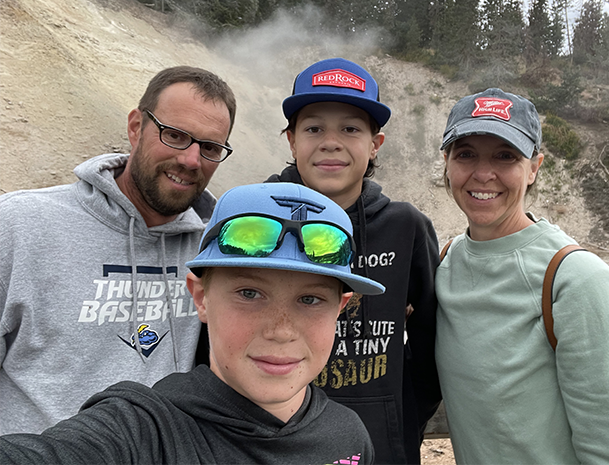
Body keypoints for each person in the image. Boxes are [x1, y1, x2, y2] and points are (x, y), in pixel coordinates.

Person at [0, 182, 383, 464]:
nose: (280, 331)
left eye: (310, 299)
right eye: (250, 293)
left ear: (340, 308)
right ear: (200, 296)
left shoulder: (349, 435)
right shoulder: (144, 431)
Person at [0, 66, 237, 435]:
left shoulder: (215, 246)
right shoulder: (20, 223)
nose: (191, 160)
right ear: (135, 127)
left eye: (209, 147)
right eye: (175, 135)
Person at [435, 88, 609, 464]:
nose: (483, 173)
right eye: (466, 154)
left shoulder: (576, 279)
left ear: (534, 167)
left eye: (506, 156)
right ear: (447, 164)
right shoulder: (446, 262)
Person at [266, 57, 441, 465]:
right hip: (275, 444)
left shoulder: (406, 226)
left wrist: (402, 423)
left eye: (350, 128)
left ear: (374, 144)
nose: (331, 141)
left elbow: (433, 346)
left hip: (382, 447)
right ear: (291, 140)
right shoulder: (256, 220)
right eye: (313, 128)